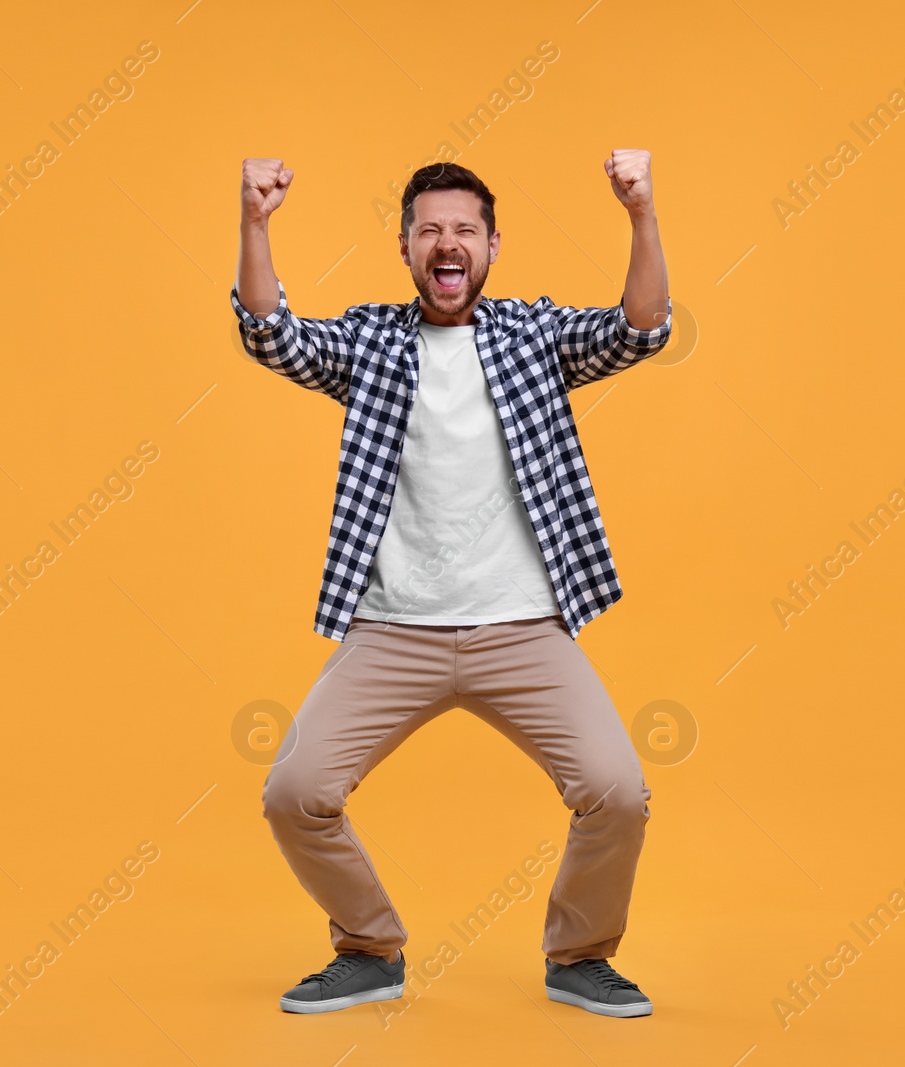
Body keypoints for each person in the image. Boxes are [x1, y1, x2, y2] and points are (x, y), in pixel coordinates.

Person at [230, 153, 671, 1018]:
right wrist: (254, 222)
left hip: (522, 629)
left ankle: (580, 954)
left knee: (618, 791)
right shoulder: (371, 342)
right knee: (294, 793)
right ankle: (368, 947)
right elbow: (270, 333)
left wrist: (642, 212)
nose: (448, 242)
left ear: (492, 245)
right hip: (394, 630)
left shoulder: (531, 336)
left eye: (465, 228)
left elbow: (639, 327)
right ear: (405, 249)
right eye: (429, 229)